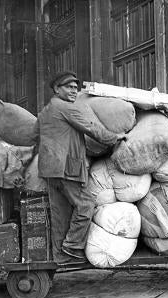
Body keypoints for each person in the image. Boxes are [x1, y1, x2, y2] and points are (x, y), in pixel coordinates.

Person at [35, 71, 125, 263]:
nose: (74, 91)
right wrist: (114, 137)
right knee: (86, 204)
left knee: (60, 212)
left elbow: (36, 134)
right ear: (57, 89)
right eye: (69, 87)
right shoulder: (66, 107)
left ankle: (60, 256)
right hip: (66, 167)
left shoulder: (46, 110)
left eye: (76, 88)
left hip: (50, 169)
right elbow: (91, 127)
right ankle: (73, 245)